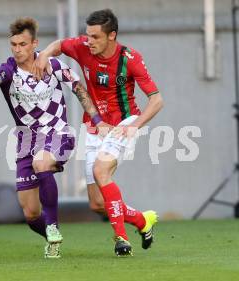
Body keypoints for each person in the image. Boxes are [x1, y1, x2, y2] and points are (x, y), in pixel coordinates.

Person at [33, 9, 164, 256]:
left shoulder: (130, 59)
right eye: (87, 35)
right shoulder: (83, 46)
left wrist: (134, 126)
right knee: (96, 203)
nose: (88, 41)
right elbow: (60, 44)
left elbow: (156, 100)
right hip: (93, 126)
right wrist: (46, 54)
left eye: (95, 37)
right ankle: (141, 221)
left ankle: (121, 240)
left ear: (111, 35)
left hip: (123, 122)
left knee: (100, 169)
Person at [0, 17, 105, 258]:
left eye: (22, 44)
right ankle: (51, 238)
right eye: (14, 44)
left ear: (34, 43)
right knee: (30, 213)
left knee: (42, 162)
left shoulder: (53, 65)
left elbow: (79, 88)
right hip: (27, 141)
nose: (17, 49)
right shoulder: (8, 70)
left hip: (59, 135)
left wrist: (97, 120)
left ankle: (53, 226)